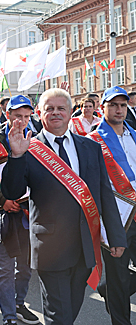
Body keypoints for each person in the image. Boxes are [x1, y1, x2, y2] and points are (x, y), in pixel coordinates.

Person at [1, 88, 127, 325]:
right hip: (51, 246)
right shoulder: (29, 148)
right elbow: (12, 191)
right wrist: (16, 157)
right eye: (50, 109)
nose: (55, 113)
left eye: (61, 108)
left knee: (70, 312)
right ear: (40, 113)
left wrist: (116, 237)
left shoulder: (89, 147)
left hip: (84, 244)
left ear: (71, 112)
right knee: (58, 315)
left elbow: (103, 193)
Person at [0, 95, 39, 325]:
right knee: (5, 268)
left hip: (27, 213)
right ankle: (8, 316)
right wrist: (3, 200)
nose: (23, 121)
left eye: (27, 116)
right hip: (2, 213)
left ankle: (18, 304)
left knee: (26, 266)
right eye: (18, 115)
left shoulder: (34, 140)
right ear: (8, 115)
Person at [90, 86, 136, 325]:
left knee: (118, 282)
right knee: (118, 275)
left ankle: (107, 288)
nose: (119, 110)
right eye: (114, 105)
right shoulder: (92, 141)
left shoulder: (134, 134)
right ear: (103, 108)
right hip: (116, 217)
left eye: (123, 105)